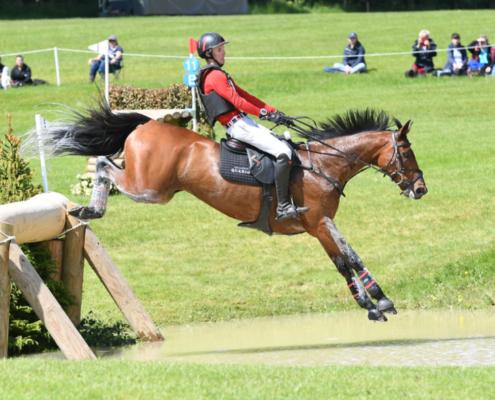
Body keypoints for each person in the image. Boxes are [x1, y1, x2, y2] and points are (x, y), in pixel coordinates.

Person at [195, 32, 309, 221]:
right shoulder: (214, 76)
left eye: (223, 49)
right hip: (238, 126)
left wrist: (274, 111)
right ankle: (282, 207)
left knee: (285, 142)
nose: (224, 53)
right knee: (284, 152)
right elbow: (238, 101)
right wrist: (266, 114)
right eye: (219, 50)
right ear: (208, 54)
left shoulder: (218, 74)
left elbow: (245, 95)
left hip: (243, 122)